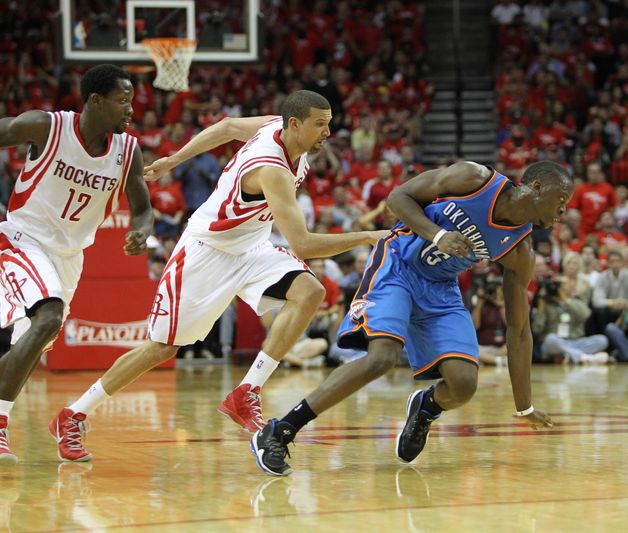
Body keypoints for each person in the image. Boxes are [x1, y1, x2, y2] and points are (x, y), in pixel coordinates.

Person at [50, 90, 386, 462]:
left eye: (329, 123)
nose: (328, 132)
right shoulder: (271, 168)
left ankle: (246, 392)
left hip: (251, 247)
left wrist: (173, 160)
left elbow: (226, 127)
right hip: (206, 252)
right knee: (161, 348)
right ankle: (74, 413)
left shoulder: (277, 128)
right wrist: (369, 236)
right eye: (320, 124)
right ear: (295, 124)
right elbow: (303, 245)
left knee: (309, 292)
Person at [251, 160, 574, 476]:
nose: (562, 212)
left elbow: (518, 332)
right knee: (381, 358)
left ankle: (426, 407)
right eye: (560, 200)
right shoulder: (474, 179)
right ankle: (281, 430)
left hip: (441, 289)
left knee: (463, 384)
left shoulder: (520, 250)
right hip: (398, 265)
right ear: (536, 187)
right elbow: (398, 198)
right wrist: (436, 235)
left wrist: (524, 406)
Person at [0, 65, 153, 465]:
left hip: (70, 258)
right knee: (47, 319)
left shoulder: (128, 150)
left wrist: (141, 230)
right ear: (96, 101)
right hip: (22, 239)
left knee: (28, 347)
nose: (130, 109)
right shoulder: (45, 128)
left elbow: (142, 208)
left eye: (132, 101)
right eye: (123, 100)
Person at [534, 277, 609, 364]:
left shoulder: (577, 302)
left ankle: (568, 356)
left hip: (576, 341)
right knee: (550, 339)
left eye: (564, 285)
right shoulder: (546, 305)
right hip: (557, 342)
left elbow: (586, 315)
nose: (561, 288)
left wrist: (565, 300)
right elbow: (537, 329)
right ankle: (584, 357)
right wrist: (541, 309)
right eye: (559, 285)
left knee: (602, 340)